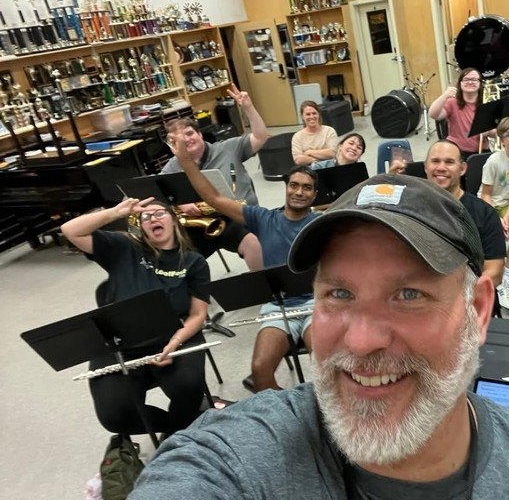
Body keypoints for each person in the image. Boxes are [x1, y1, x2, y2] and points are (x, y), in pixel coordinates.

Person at [130, 173, 509, 498]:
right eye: (339, 295)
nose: (362, 341)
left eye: (408, 295)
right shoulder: (232, 460)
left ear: (477, 310)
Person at [171, 134, 319, 391]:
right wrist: (187, 164)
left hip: (315, 305)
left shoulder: (319, 224)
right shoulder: (263, 218)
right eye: (294, 185)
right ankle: (290, 415)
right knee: (260, 371)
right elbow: (214, 199)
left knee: (327, 364)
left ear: (315, 195)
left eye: (307, 188)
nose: (299, 192)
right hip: (277, 307)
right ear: (286, 187)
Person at [61, 198, 210, 437]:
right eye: (146, 217)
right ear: (141, 227)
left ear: (173, 219)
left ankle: (180, 430)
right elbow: (70, 230)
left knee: (188, 388)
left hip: (172, 336)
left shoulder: (194, 262)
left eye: (160, 213)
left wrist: (175, 342)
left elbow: (198, 314)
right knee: (114, 415)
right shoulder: (122, 246)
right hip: (121, 344)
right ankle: (174, 429)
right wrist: (115, 213)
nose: (153, 219)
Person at [161, 84, 265, 271]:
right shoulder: (171, 166)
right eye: (177, 139)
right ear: (171, 145)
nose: (186, 140)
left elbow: (260, 136)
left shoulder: (227, 148)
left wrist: (248, 107)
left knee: (253, 244)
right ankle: (193, 296)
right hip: (201, 224)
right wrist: (180, 204)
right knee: (172, 254)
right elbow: (160, 194)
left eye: (189, 133)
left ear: (200, 134)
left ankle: (268, 287)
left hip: (238, 216)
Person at [425, 139, 505, 289]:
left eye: (449, 162)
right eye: (435, 161)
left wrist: (458, 297)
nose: (441, 167)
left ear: (462, 169)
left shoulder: (485, 213)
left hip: (469, 297)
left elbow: (495, 271)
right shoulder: (410, 209)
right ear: (426, 167)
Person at [479, 115, 509, 311]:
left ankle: (507, 279)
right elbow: (486, 194)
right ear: (502, 139)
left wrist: (506, 217)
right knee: (492, 233)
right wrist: (497, 218)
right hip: (490, 203)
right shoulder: (493, 161)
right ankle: (492, 276)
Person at [428, 68, 488, 157]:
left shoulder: (486, 102)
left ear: (480, 84)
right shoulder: (452, 102)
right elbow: (433, 114)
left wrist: (488, 132)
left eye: (474, 80)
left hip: (481, 150)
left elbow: (496, 132)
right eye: (466, 79)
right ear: (460, 83)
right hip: (457, 150)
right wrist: (444, 95)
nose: (470, 82)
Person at [292, 100, 338, 166]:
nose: (312, 117)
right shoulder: (297, 137)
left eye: (314, 113)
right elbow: (298, 160)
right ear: (302, 116)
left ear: (318, 114)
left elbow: (332, 153)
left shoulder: (329, 131)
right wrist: (318, 161)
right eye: (308, 114)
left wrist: (308, 152)